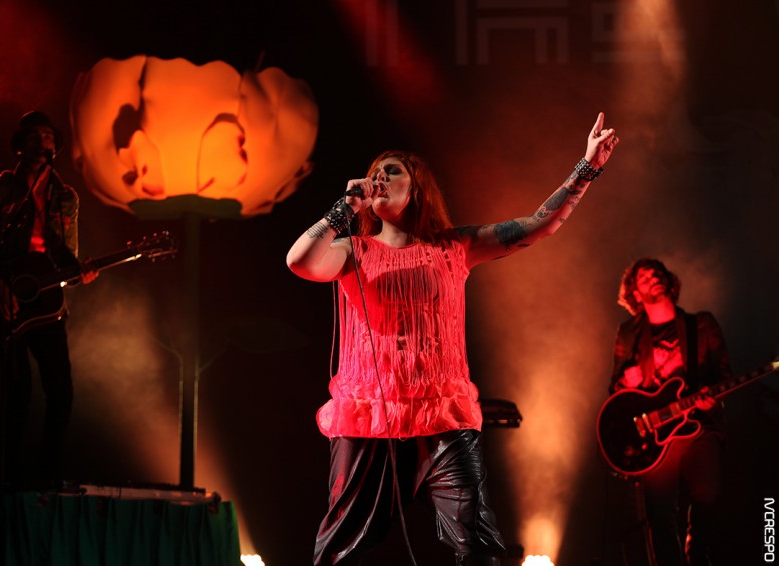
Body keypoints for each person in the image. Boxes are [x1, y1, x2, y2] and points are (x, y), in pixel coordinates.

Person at [287, 113, 619, 566]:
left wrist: (587, 167)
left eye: (392, 171)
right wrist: (344, 209)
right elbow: (301, 262)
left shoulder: (454, 246)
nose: (379, 178)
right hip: (369, 418)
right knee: (339, 550)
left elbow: (537, 225)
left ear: (417, 188)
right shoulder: (353, 251)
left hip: (442, 416)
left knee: (478, 543)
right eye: (374, 172)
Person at [0, 110, 97, 487]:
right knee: (18, 393)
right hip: (4, 300)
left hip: (45, 305)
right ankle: (10, 485)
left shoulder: (65, 198)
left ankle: (47, 483)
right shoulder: (5, 187)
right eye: (34, 136)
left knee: (61, 392)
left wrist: (79, 272)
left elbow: (66, 258)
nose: (43, 142)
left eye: (48, 136)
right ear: (20, 146)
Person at [609, 258, 730, 566]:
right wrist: (626, 382)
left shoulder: (702, 324)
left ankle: (696, 554)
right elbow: (615, 393)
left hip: (699, 426)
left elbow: (724, 374)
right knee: (659, 514)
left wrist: (714, 397)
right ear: (635, 293)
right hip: (656, 438)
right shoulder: (628, 334)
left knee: (707, 494)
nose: (654, 277)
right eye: (644, 277)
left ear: (669, 279)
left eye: (658, 272)